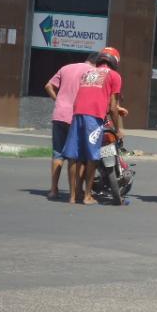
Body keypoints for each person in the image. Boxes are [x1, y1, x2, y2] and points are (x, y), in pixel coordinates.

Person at [62, 47, 123, 205]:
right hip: (94, 117)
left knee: (74, 156)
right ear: (115, 62)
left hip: (77, 114)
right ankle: (87, 195)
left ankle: (72, 196)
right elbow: (113, 107)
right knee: (92, 156)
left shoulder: (88, 73)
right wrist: (119, 129)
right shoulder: (115, 76)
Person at [44, 54, 96, 200]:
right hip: (77, 116)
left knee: (57, 153)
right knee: (77, 156)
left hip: (59, 114)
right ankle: (77, 191)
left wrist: (58, 100)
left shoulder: (66, 68)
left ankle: (53, 190)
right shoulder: (92, 72)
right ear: (96, 63)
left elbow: (48, 86)